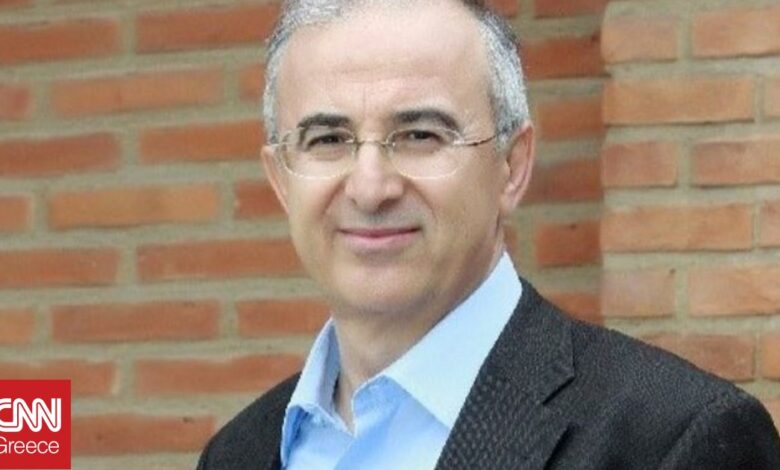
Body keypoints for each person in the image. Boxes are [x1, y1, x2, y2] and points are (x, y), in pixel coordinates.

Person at [197, 0, 780, 468]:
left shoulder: (675, 442)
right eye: (327, 140)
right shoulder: (237, 453)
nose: (370, 188)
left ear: (512, 166)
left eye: (420, 135)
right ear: (281, 179)